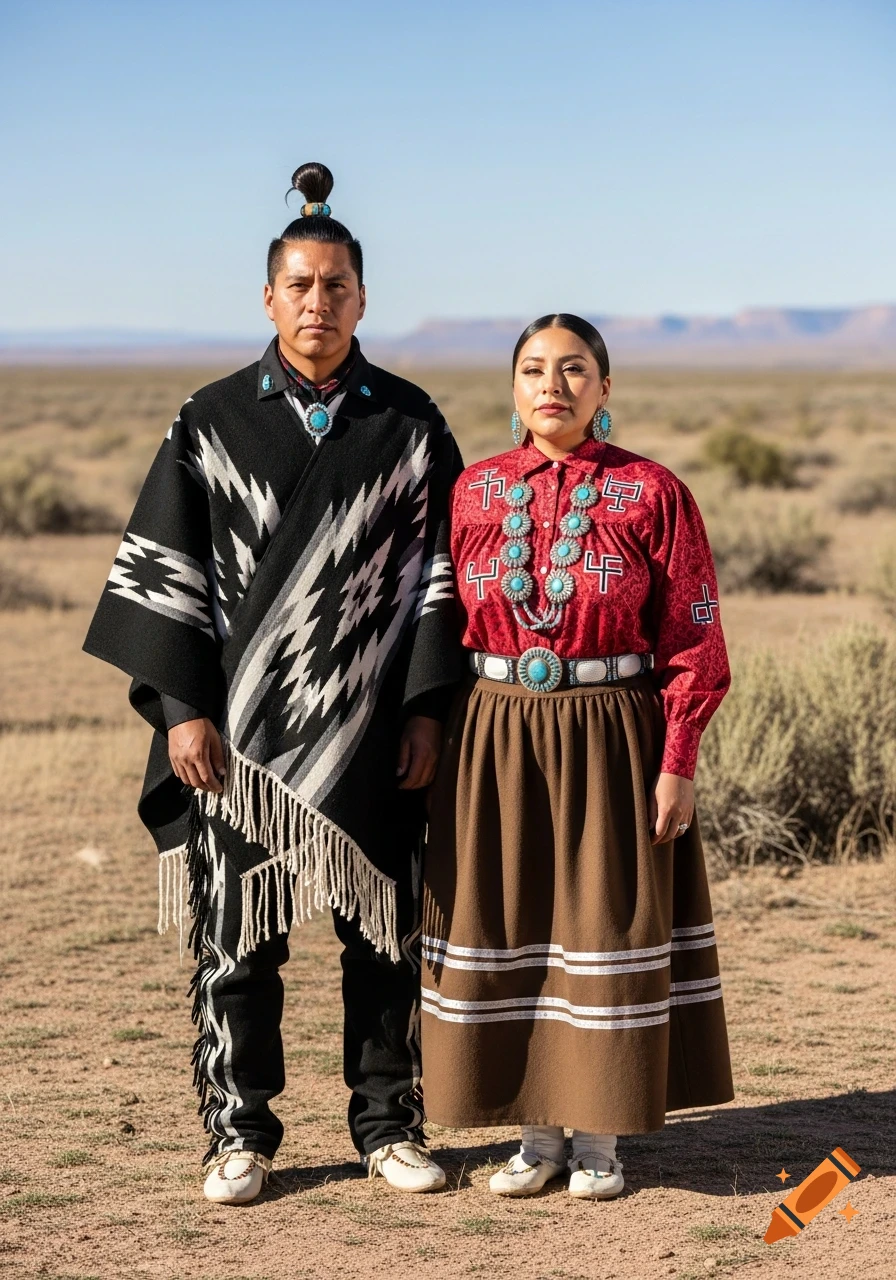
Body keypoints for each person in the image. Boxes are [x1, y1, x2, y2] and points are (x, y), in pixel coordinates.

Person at [84, 163, 464, 1204]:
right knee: (235, 941)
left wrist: (428, 707)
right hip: (235, 734)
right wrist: (182, 709)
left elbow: (440, 576)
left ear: (361, 297)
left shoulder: (408, 422)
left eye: (335, 285)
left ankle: (388, 1122)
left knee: (382, 937)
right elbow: (169, 574)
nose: (316, 302)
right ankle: (236, 1132)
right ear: (268, 297)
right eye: (298, 285)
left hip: (372, 726)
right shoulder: (210, 419)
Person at [421, 314, 733, 1199]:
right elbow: (435, 627)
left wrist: (678, 758)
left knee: (602, 920)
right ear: (513, 389)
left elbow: (694, 640)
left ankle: (599, 1136)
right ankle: (535, 1136)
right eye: (533, 370)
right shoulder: (473, 491)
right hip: (495, 729)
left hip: (612, 729)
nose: (552, 385)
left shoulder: (653, 493)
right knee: (512, 915)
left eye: (574, 369)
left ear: (605, 386)